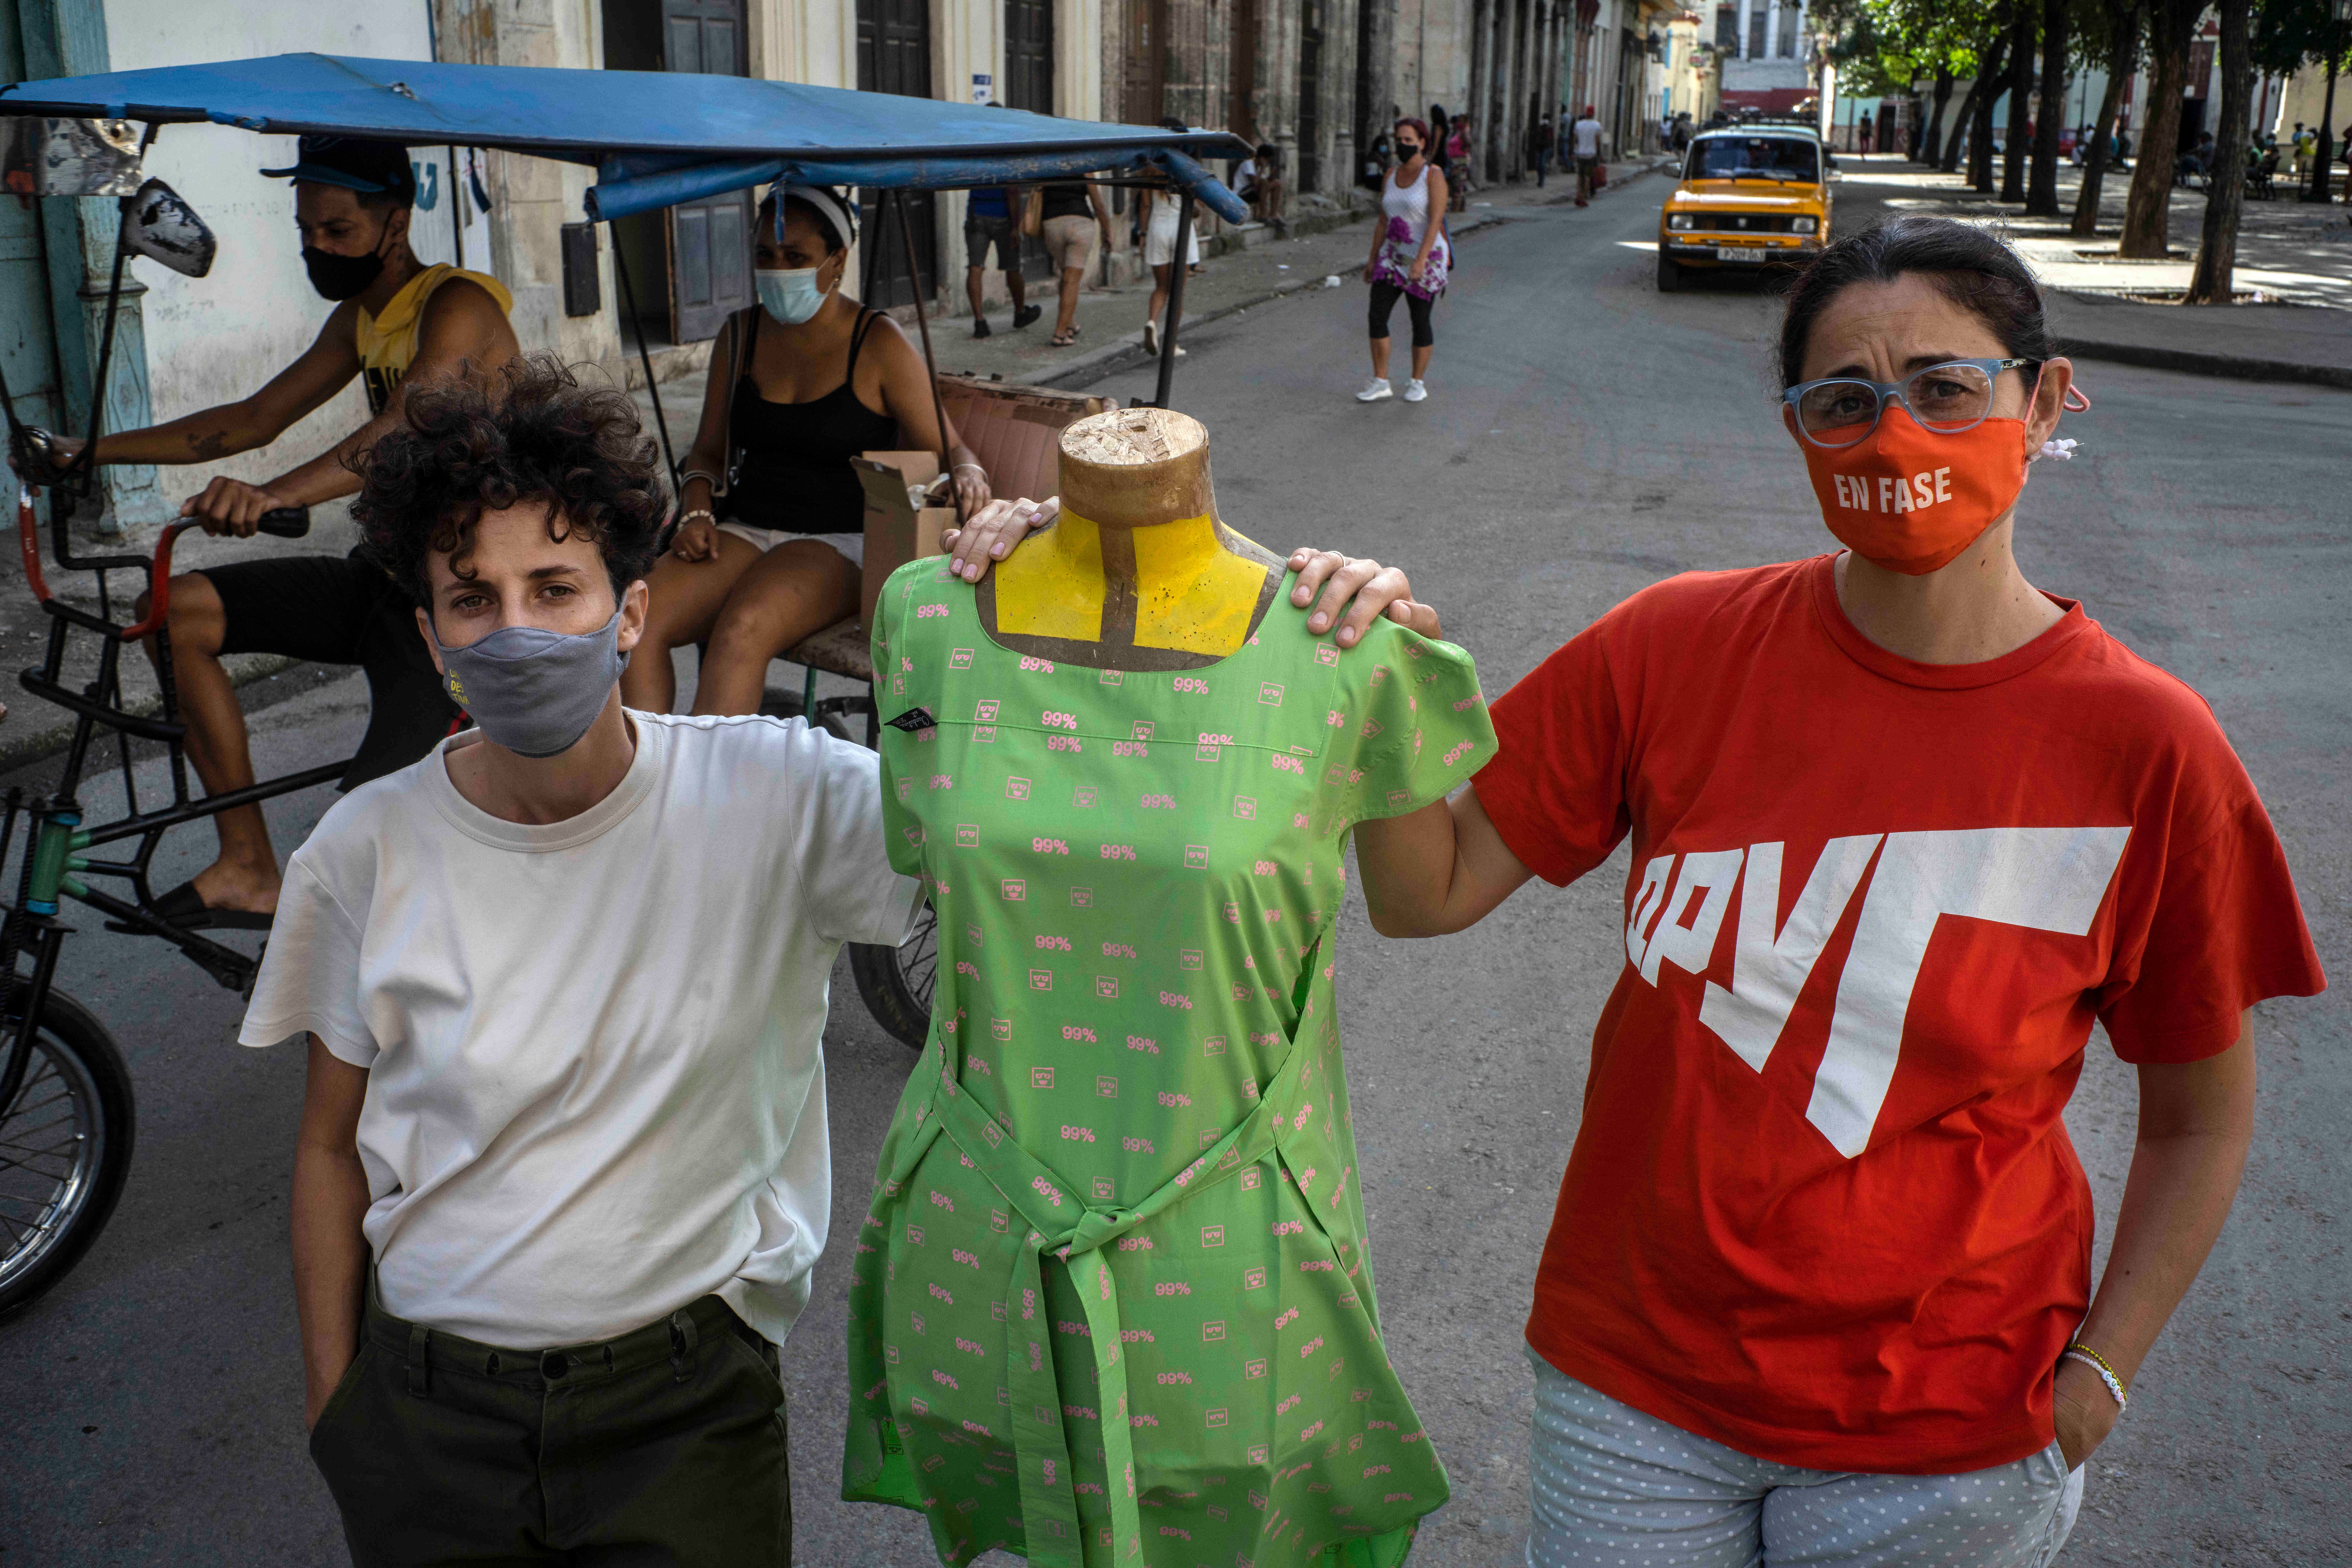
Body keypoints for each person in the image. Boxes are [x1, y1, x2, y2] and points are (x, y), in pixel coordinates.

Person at [1349, 215, 2325, 1568]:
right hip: (1634, 1393)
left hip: (1950, 1437)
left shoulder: (2152, 751)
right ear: (1797, 426)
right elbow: (1428, 891)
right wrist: (1378, 682)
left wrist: (2097, 1380)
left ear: (2041, 403)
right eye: (1844, 402)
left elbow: (2200, 1124)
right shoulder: (1670, 651)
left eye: (1945, 388)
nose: (1895, 436)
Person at [250, 355, 927, 1566]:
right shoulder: (362, 850)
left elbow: (1047, 839)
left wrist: (1297, 616)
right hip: (427, 1413)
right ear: (432, 634)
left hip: (683, 1414)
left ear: (629, 612)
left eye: (554, 587)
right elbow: (325, 1147)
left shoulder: (774, 796)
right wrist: (336, 1414)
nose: (512, 631)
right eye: (471, 597)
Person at [9, 134, 517, 929]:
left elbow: (407, 425)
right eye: (306, 231)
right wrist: (88, 451)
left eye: (337, 231)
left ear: (396, 220)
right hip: (388, 579)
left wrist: (272, 493)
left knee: (373, 843)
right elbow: (253, 419)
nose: (316, 247)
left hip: (468, 605)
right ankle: (248, 865)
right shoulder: (363, 316)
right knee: (176, 611)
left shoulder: (459, 306)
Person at [622, 185, 991, 717]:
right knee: (638, 619)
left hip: (839, 540)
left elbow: (951, 446)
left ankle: (709, 796)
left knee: (743, 630)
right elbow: (707, 449)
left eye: (797, 258)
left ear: (837, 261)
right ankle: (651, 780)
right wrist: (697, 508)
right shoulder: (740, 333)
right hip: (745, 526)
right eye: (765, 257)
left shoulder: (878, 341)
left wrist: (971, 473)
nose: (779, 271)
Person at [1357, 117, 1451, 405]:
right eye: (1399, 140)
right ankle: (1381, 381)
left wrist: (1421, 261)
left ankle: (1417, 382)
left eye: (1409, 140)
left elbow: (1436, 221)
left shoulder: (1433, 176)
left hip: (1426, 257)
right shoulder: (1391, 175)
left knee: (1420, 320)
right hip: (1392, 256)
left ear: (1423, 143)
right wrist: (1373, 259)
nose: (1403, 145)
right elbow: (1384, 221)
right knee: (1377, 316)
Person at [1138, 119, 1204, 359]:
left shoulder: (1150, 166)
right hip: (1182, 230)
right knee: (1178, 292)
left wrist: (1143, 234)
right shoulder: (1186, 164)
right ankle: (1171, 343)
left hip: (1157, 228)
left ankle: (1152, 322)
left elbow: (1145, 205)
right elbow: (1196, 205)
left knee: (1161, 288)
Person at [963, 143, 1040, 340]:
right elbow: (1013, 192)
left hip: (976, 216)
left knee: (975, 268)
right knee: (1013, 268)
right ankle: (1020, 313)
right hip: (1002, 218)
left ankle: (980, 322)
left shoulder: (975, 155)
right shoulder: (1006, 158)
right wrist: (1015, 226)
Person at [1038, 176, 1112, 347]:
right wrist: (1108, 231)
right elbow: (1098, 205)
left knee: (1066, 277)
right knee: (1072, 280)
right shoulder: (1085, 168)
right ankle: (1060, 334)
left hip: (1052, 224)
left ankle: (1069, 323)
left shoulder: (1049, 165)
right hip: (1080, 223)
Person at [1234, 140, 1286, 222]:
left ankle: (1274, 215)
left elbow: (1263, 183)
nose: (1267, 163)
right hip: (1242, 194)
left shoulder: (1258, 167)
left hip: (1253, 192)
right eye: (1267, 160)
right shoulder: (1248, 164)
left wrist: (1271, 175)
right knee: (1264, 183)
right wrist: (1262, 169)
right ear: (1262, 158)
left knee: (1277, 184)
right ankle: (1263, 216)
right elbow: (1256, 183)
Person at [1571, 105, 1605, 206]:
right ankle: (1583, 198)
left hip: (1580, 154)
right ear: (1593, 114)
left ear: (1586, 113)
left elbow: (1575, 140)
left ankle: (1578, 195)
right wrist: (1599, 154)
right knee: (1588, 177)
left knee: (1580, 177)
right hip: (1591, 155)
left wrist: (1574, 151)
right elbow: (1598, 142)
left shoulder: (1579, 125)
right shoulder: (1597, 126)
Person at [1446, 114, 1476, 209]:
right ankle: (1458, 206)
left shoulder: (1465, 131)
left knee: (1459, 184)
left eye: (1461, 121)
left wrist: (1463, 151)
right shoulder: (1458, 133)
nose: (1459, 123)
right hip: (1455, 161)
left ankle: (1457, 207)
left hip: (1460, 161)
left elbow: (1468, 143)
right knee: (1456, 184)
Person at [1527, 110, 1554, 186]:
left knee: (1542, 164)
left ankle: (1542, 182)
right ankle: (1540, 181)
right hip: (1540, 147)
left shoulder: (1550, 128)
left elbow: (1551, 139)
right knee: (1539, 165)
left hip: (1546, 148)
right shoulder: (1541, 127)